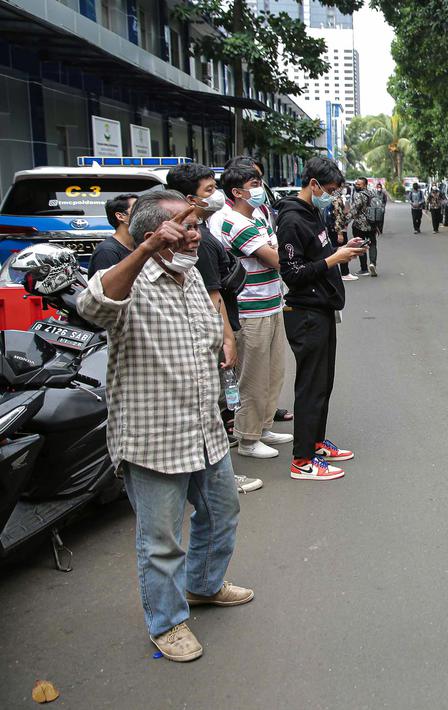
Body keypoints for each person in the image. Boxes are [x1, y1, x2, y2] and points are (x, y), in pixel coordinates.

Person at [78, 190, 253, 663]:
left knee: (221, 513)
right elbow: (93, 308)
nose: (196, 233)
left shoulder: (191, 273)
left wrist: (225, 337)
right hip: (154, 439)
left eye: (196, 225)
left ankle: (203, 586)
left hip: (203, 429)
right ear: (156, 232)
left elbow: (207, 324)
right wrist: (145, 250)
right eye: (186, 226)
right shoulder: (131, 277)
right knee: (161, 542)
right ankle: (167, 622)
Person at [165, 163, 261, 494]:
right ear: (188, 199)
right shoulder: (198, 242)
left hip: (218, 328)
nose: (215, 195)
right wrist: (227, 338)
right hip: (213, 335)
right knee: (211, 407)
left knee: (215, 404)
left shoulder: (203, 233)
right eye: (209, 191)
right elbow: (213, 294)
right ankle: (216, 478)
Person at [276, 157, 368, 481]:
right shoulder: (291, 220)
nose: (331, 196)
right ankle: (302, 461)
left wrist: (345, 250)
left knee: (323, 383)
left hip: (323, 308)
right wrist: (334, 260)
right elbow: (292, 272)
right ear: (313, 184)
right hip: (305, 312)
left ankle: (316, 442)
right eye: (328, 190)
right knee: (310, 387)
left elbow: (319, 255)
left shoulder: (314, 213)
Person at [216, 164, 292, 459]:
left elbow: (273, 249)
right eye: (253, 182)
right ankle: (247, 438)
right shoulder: (234, 222)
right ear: (236, 192)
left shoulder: (258, 216)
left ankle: (263, 426)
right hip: (251, 308)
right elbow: (275, 258)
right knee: (253, 376)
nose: (260, 186)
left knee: (274, 371)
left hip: (272, 301)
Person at [87, 193, 139, 276]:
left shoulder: (138, 246)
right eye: (138, 209)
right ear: (120, 216)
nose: (144, 213)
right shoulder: (107, 251)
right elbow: (106, 287)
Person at [350, 178, 378, 277]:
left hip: (359, 225)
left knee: (361, 245)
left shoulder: (359, 195)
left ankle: (364, 268)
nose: (356, 186)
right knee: (372, 244)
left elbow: (354, 211)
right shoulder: (373, 193)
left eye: (359, 184)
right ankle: (373, 264)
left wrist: (345, 221)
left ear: (365, 185)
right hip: (372, 225)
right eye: (356, 184)